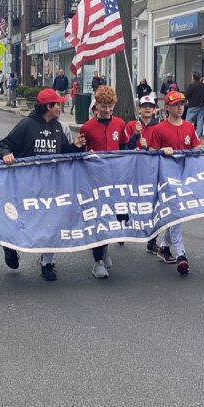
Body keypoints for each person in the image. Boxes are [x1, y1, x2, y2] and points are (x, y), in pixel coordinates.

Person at [0, 88, 86, 281]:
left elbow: (64, 153)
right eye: (58, 104)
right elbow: (4, 144)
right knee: (22, 220)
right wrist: (6, 154)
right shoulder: (27, 125)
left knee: (51, 223)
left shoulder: (57, 128)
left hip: (51, 186)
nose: (61, 107)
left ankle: (47, 263)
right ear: (48, 106)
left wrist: (76, 146)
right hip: (26, 185)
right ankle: (10, 245)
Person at [148, 91, 202, 275]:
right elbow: (149, 153)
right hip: (165, 178)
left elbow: (195, 148)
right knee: (177, 213)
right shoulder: (159, 129)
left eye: (182, 103)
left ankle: (164, 246)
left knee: (176, 213)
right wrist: (161, 150)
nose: (180, 107)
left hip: (184, 176)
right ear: (167, 107)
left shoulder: (189, 127)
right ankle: (181, 254)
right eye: (176, 104)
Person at [79, 86, 127, 279]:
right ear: (96, 105)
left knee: (116, 217)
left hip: (116, 179)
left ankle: (105, 250)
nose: (107, 109)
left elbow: (125, 148)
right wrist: (85, 154)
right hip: (95, 181)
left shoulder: (120, 124)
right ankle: (98, 260)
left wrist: (137, 140)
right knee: (100, 218)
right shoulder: (87, 127)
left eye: (110, 106)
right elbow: (80, 153)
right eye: (104, 106)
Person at [124, 94, 161, 255]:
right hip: (132, 170)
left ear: (154, 109)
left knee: (153, 204)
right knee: (128, 201)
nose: (147, 109)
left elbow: (161, 149)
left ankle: (152, 240)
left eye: (150, 106)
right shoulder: (132, 125)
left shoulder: (159, 127)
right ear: (139, 108)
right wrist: (135, 135)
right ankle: (122, 227)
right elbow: (125, 148)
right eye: (144, 106)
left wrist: (148, 147)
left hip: (151, 171)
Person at [185, 71, 204, 138]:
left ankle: (186, 132)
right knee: (200, 120)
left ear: (193, 77)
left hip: (193, 105)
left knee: (188, 120)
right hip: (202, 105)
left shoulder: (192, 85)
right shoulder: (203, 86)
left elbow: (187, 94)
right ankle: (198, 135)